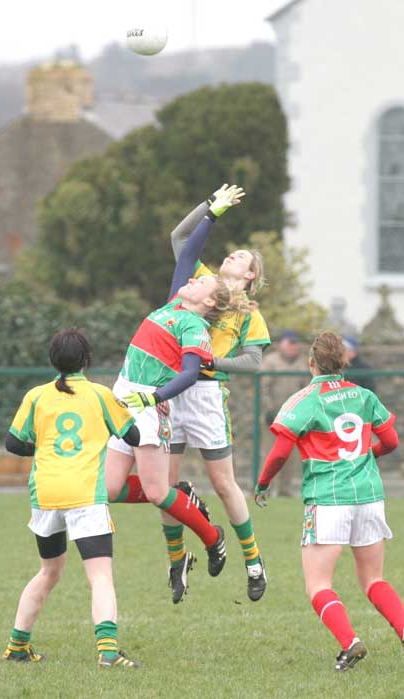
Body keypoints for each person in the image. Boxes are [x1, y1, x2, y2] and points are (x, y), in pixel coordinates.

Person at [254, 330, 404, 671]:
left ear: (311, 362)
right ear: (344, 361)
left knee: (318, 584)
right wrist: (365, 457)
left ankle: (350, 643)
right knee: (374, 579)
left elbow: (279, 452)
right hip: (369, 496)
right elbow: (391, 441)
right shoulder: (363, 395)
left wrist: (262, 483)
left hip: (328, 498)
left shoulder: (304, 399)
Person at [104, 186, 245, 597]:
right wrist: (212, 213)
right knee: (111, 490)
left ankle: (212, 537)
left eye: (200, 282)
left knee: (156, 491)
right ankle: (184, 498)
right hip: (124, 400)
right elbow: (186, 253)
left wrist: (155, 397)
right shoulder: (174, 305)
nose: (191, 279)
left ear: (209, 300)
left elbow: (188, 374)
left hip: (148, 406)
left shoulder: (194, 325)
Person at [3, 329, 140, 668]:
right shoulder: (99, 395)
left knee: (48, 571)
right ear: (86, 360)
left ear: (54, 361)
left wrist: (47, 444)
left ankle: (17, 646)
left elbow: (13, 444)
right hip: (84, 494)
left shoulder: (37, 395)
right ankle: (108, 651)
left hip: (45, 494)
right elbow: (133, 435)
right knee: (100, 575)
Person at [162, 184, 270, 603]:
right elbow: (178, 237)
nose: (232, 255)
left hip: (206, 395)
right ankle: (177, 561)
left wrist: (212, 364)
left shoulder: (249, 313)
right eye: (231, 252)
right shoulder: (200, 281)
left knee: (224, 484)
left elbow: (253, 363)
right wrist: (210, 206)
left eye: (241, 257)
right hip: (171, 391)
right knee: (165, 486)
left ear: (250, 276)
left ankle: (254, 559)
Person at [261, 329, 307, 496]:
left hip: (293, 418)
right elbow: (263, 387)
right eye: (289, 342)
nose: (292, 347)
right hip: (273, 415)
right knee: (269, 453)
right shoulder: (270, 361)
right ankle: (264, 488)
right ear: (280, 343)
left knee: (291, 456)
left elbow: (306, 390)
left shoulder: (302, 363)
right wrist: (268, 409)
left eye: (295, 343)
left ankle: (285, 490)